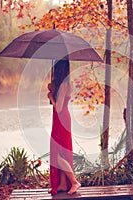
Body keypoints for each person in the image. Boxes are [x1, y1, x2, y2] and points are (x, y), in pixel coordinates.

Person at [47, 60, 81, 195]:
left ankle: (74, 182)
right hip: (60, 119)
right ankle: (62, 184)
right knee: (61, 152)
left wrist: (51, 96)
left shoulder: (64, 85)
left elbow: (59, 107)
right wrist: (52, 90)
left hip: (61, 119)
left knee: (57, 154)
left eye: (55, 70)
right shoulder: (64, 84)